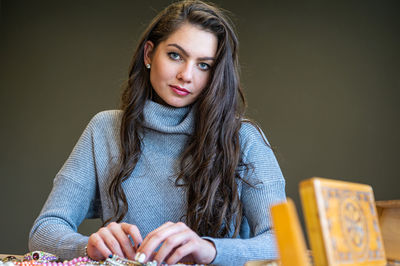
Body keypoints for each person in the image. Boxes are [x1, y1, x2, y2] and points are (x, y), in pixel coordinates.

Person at [29, 1, 286, 265]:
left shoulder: (243, 137)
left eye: (204, 65)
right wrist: (88, 246)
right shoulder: (104, 129)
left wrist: (209, 250)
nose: (186, 75)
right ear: (149, 54)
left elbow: (282, 241)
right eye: (176, 55)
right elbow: (44, 230)